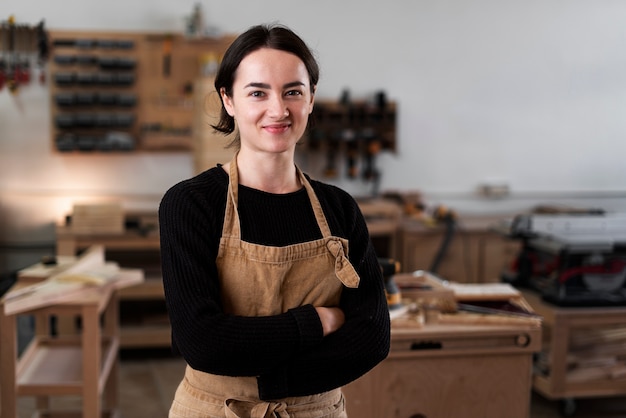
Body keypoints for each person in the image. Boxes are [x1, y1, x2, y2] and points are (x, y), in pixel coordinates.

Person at [159, 23, 390, 418]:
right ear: (228, 100)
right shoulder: (191, 204)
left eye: (293, 92)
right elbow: (202, 342)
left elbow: (371, 337)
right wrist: (317, 321)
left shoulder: (341, 208)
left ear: (312, 98)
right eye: (257, 93)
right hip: (218, 410)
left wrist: (271, 379)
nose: (278, 110)